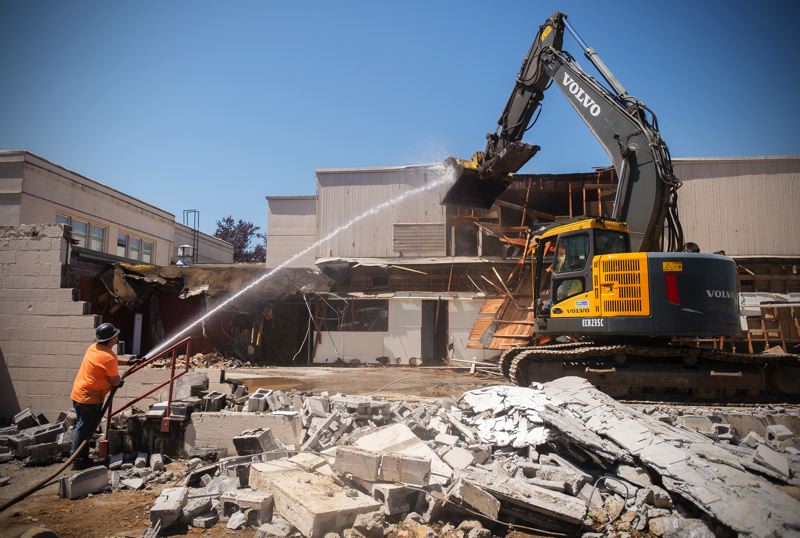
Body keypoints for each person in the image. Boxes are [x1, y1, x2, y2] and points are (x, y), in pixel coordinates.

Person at [69, 322, 125, 469]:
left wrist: (127, 361)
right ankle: (78, 460)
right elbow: (115, 381)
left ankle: (80, 457)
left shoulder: (93, 348)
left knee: (82, 426)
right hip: (89, 399)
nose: (117, 335)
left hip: (79, 393)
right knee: (84, 428)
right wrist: (119, 382)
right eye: (115, 334)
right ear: (112, 338)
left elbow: (104, 363)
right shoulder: (109, 357)